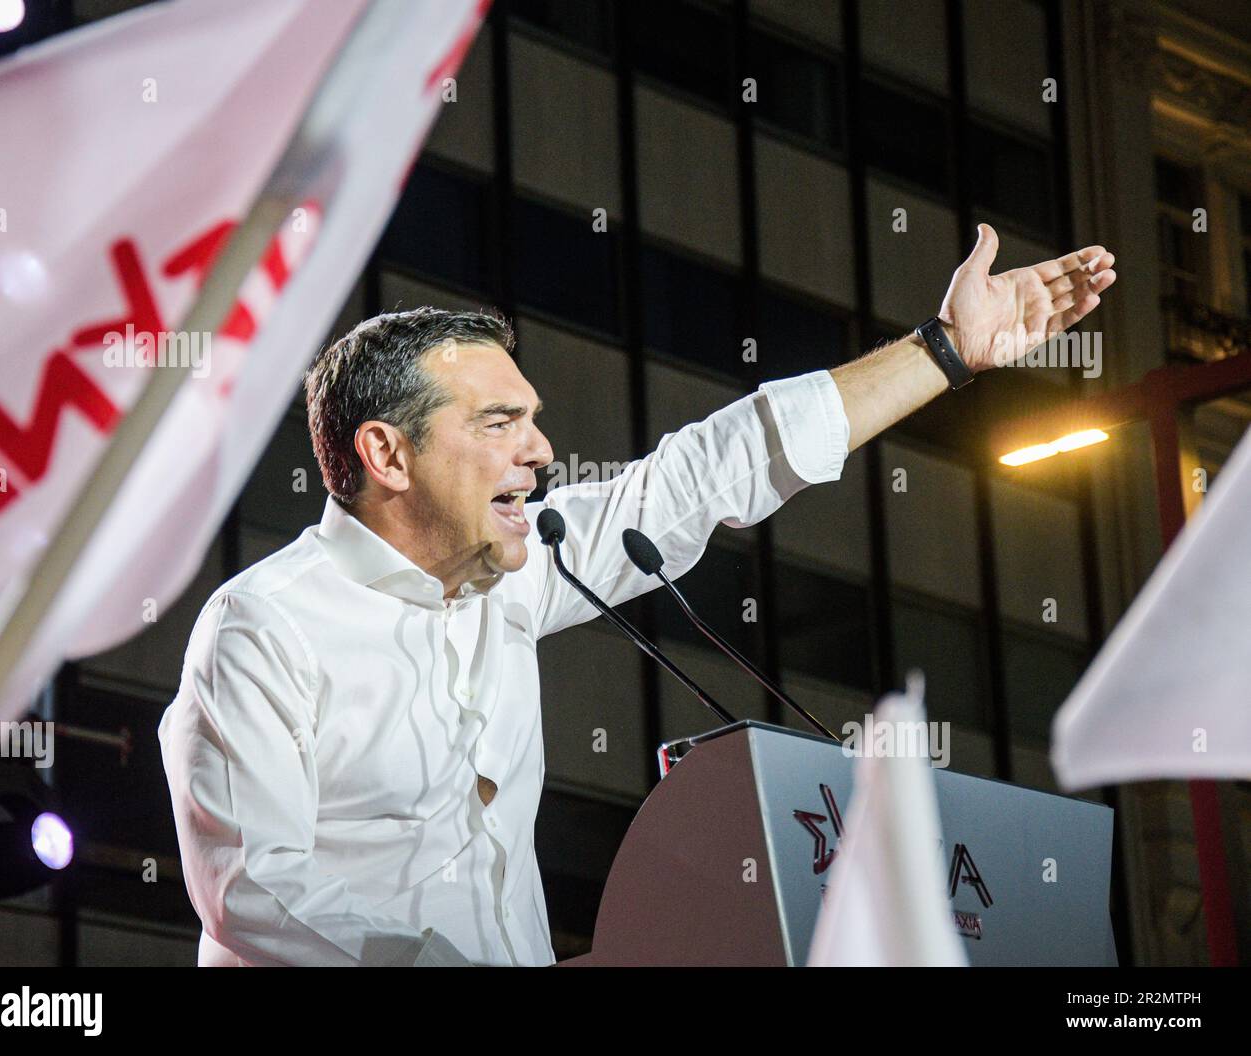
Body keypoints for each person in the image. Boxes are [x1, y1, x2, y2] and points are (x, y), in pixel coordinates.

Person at [158, 224, 1116, 966]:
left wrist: (943, 350)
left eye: (534, 421)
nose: (538, 451)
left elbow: (709, 471)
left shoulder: (519, 573)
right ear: (385, 454)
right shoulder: (263, 627)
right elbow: (255, 891)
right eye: (500, 423)